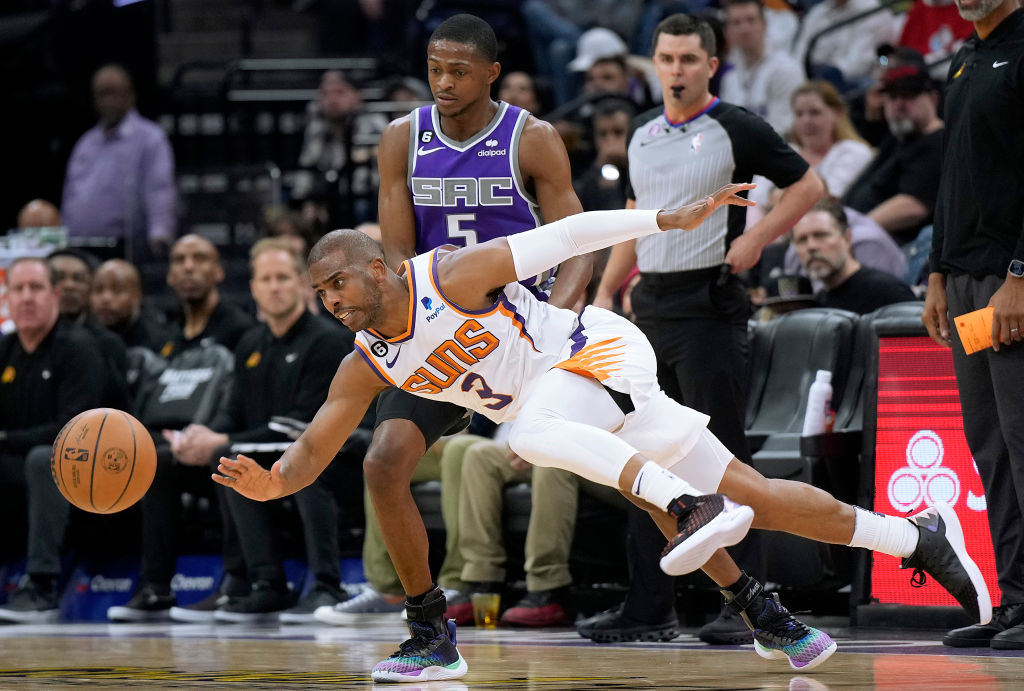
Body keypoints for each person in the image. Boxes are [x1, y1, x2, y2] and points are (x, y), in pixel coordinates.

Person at [216, 194, 991, 683]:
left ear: (381, 269)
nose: (331, 300)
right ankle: (911, 536)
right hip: (576, 401)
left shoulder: (449, 276)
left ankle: (691, 513)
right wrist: (272, 481)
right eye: (321, 293)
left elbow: (567, 233)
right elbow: (313, 449)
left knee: (533, 430)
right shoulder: (365, 363)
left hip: (599, 349)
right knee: (758, 497)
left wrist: (661, 221)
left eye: (339, 283)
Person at [309, 12, 594, 656]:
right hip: (440, 327)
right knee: (383, 461)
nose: (443, 83)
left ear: (492, 73)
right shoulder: (401, 138)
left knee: (630, 452)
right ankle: (428, 624)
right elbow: (397, 259)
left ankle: (741, 595)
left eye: (459, 72)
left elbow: (578, 242)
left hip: (521, 331)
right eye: (435, 69)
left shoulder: (532, 138)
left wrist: (558, 324)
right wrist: (407, 331)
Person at [590, 13, 823, 646]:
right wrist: (608, 288)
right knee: (640, 455)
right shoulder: (641, 131)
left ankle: (747, 606)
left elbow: (809, 185)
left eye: (689, 59)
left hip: (711, 304)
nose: (676, 70)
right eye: (667, 58)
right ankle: (648, 608)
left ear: (711, 65)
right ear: (655, 63)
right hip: (650, 305)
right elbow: (636, 215)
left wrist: (756, 239)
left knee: (723, 458)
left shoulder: (737, 126)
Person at [163, 239, 359, 623]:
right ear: (253, 288)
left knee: (291, 467)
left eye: (283, 278)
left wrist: (224, 440)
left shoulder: (326, 340)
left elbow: (301, 423)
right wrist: (198, 436)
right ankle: (248, 582)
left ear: (303, 285)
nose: (274, 287)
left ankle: (326, 585)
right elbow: (233, 412)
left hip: (337, 455)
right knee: (216, 461)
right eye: (265, 279)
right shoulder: (250, 343)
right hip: (273, 450)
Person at [923, 0, 1024, 650]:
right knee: (991, 444)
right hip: (965, 283)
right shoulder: (964, 58)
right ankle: (1015, 600)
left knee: (1022, 438)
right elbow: (951, 177)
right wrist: (936, 271)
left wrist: (1021, 272)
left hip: (1009, 282)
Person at [107, 234, 254, 622]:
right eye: (180, 260)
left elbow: (241, 402)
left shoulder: (239, 330)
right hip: (171, 444)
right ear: (170, 275)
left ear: (219, 271)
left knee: (220, 457)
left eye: (200, 258)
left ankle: (236, 582)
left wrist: (205, 435)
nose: (189, 266)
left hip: (222, 440)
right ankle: (156, 586)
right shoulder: (166, 338)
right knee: (151, 462)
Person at [0, 258, 106, 623]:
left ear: (55, 295)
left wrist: (5, 439)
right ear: (7, 298)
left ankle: (42, 587)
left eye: (36, 288)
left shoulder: (78, 348)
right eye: (18, 289)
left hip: (91, 472)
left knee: (46, 458)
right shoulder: (5, 350)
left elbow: (74, 431)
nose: (27, 297)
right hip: (24, 473)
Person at [61, 64, 176, 261]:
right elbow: (70, 194)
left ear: (130, 95)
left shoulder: (150, 138)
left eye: (113, 92)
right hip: (82, 246)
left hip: (128, 248)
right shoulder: (86, 143)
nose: (108, 100)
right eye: (102, 94)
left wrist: (160, 231)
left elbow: (159, 188)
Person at [842, 57, 945, 244]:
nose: (898, 105)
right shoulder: (898, 137)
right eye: (892, 97)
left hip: (897, 245)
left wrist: (852, 232)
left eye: (908, 96)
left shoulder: (938, 140)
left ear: (933, 99)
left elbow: (914, 206)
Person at [291, 70, 389, 230]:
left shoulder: (373, 122)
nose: (332, 100)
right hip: (329, 197)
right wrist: (308, 200)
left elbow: (380, 174)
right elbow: (308, 167)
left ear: (357, 96)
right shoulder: (316, 127)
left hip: (367, 197)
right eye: (325, 94)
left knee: (360, 207)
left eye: (340, 92)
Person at [791, 196, 916, 313]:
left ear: (847, 238)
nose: (811, 246)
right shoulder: (817, 303)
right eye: (802, 240)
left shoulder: (886, 291)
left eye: (821, 235)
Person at [719, 0, 805, 136]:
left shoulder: (785, 69)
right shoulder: (730, 79)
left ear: (764, 25)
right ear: (727, 31)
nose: (744, 29)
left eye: (751, 20)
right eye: (736, 23)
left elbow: (784, 128)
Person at [89, 258, 174, 352]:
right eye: (98, 290)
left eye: (117, 290)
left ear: (137, 295)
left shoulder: (160, 340)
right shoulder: (84, 336)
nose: (105, 298)